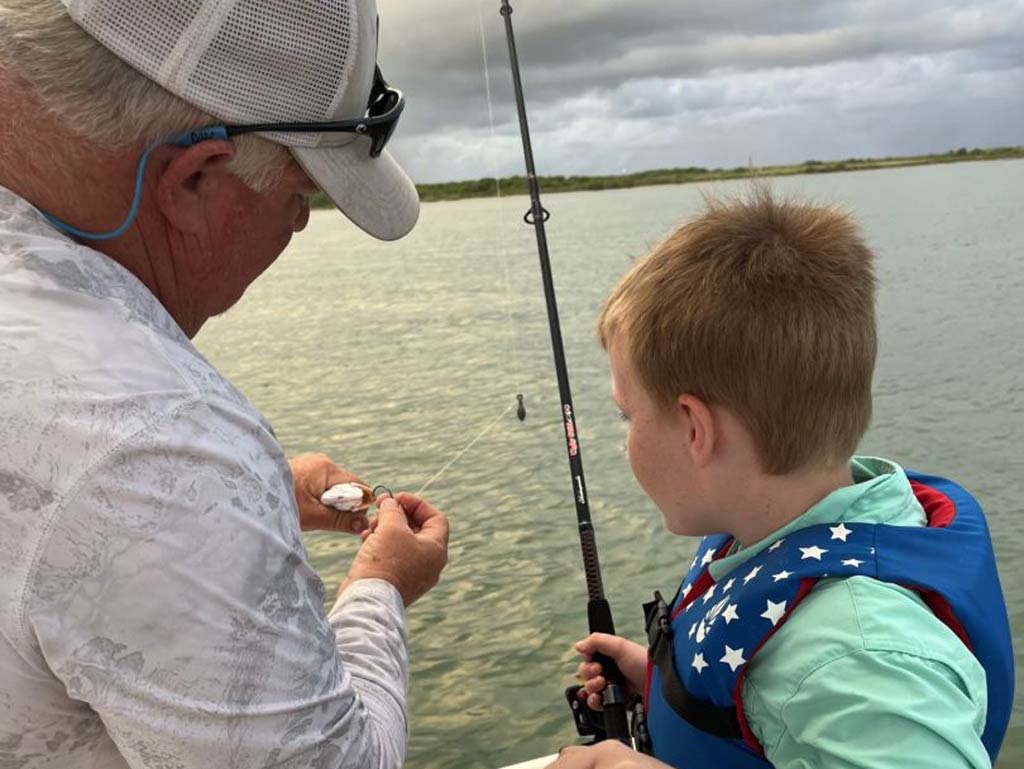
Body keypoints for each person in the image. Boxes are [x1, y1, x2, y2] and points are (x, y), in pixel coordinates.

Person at [0, 1, 448, 767]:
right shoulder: (162, 446)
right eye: (298, 200)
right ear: (195, 177)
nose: (296, 229)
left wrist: (263, 488)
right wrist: (379, 586)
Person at [548, 188, 1013, 769]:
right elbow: (782, 700)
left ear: (696, 427)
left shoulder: (856, 660)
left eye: (628, 413)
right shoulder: (790, 514)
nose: (625, 438)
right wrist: (666, 684)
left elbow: (830, 683)